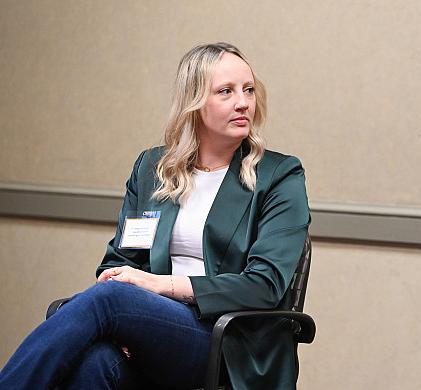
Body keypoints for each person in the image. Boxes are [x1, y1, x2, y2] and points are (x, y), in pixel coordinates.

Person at [0, 42, 310, 389]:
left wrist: (159, 287)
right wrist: (135, 320)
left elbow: (264, 286)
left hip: (229, 341)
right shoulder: (153, 168)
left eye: (248, 90)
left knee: (106, 302)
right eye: (226, 91)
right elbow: (117, 262)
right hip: (154, 328)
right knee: (96, 362)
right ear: (194, 102)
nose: (243, 102)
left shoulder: (279, 175)